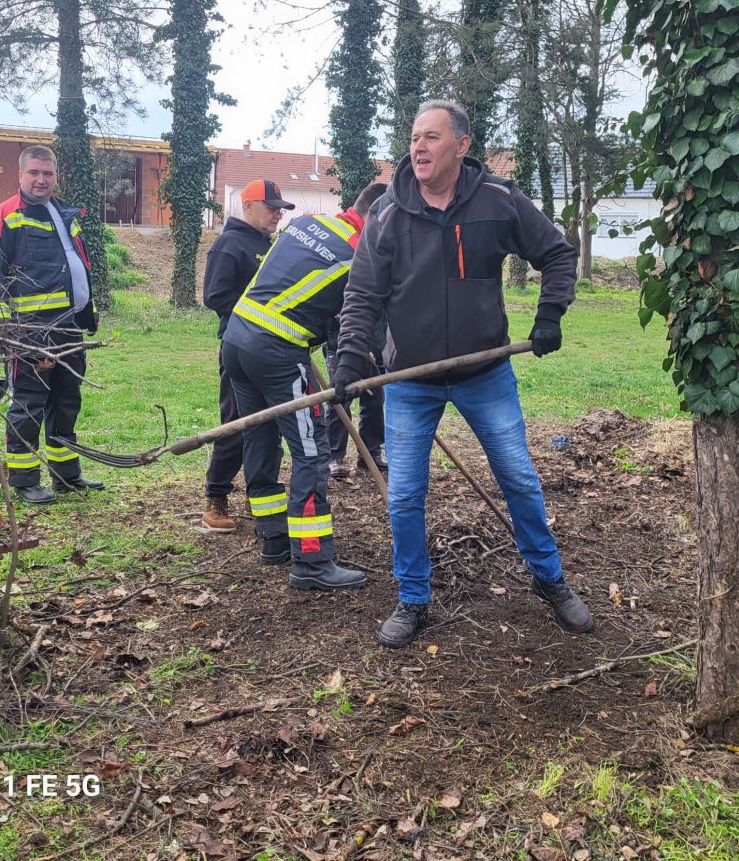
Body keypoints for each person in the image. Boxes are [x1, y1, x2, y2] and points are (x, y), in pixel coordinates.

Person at [334, 99, 594, 646]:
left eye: (431, 137)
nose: (419, 148)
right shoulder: (387, 213)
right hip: (409, 380)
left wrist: (549, 315)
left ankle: (549, 578)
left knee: (518, 478)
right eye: (414, 138)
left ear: (462, 145)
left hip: (484, 372)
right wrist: (350, 358)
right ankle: (412, 597)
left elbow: (557, 253)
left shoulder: (497, 200)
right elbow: (361, 294)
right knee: (405, 494)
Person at [220, 197, 377, 591]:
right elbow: (360, 312)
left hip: (236, 339)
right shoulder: (358, 253)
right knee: (311, 453)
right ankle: (311, 561)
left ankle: (273, 538)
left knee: (260, 437)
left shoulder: (307, 223)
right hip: (277, 351)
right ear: (376, 217)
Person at [0, 145, 104, 505]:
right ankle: (24, 481)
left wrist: (87, 312)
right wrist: (7, 332)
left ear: (55, 175)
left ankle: (66, 474)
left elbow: (75, 264)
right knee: (29, 404)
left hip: (69, 325)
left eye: (47, 173)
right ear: (20, 174)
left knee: (67, 401)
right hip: (30, 330)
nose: (41, 179)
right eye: (34, 173)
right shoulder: (5, 215)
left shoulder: (64, 212)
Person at [201, 179, 293, 530]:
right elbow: (215, 296)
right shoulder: (230, 244)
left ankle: (261, 499)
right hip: (240, 349)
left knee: (269, 427)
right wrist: (255, 319)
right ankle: (216, 496)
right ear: (248, 206)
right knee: (237, 424)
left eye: (280, 210)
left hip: (274, 351)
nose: (277, 215)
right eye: (271, 208)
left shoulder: (271, 245)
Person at [323, 182, 389, 479]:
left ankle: (371, 451)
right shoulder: (341, 238)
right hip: (341, 335)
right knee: (341, 394)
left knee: (375, 395)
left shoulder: (375, 240)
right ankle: (334, 455)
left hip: (374, 333)